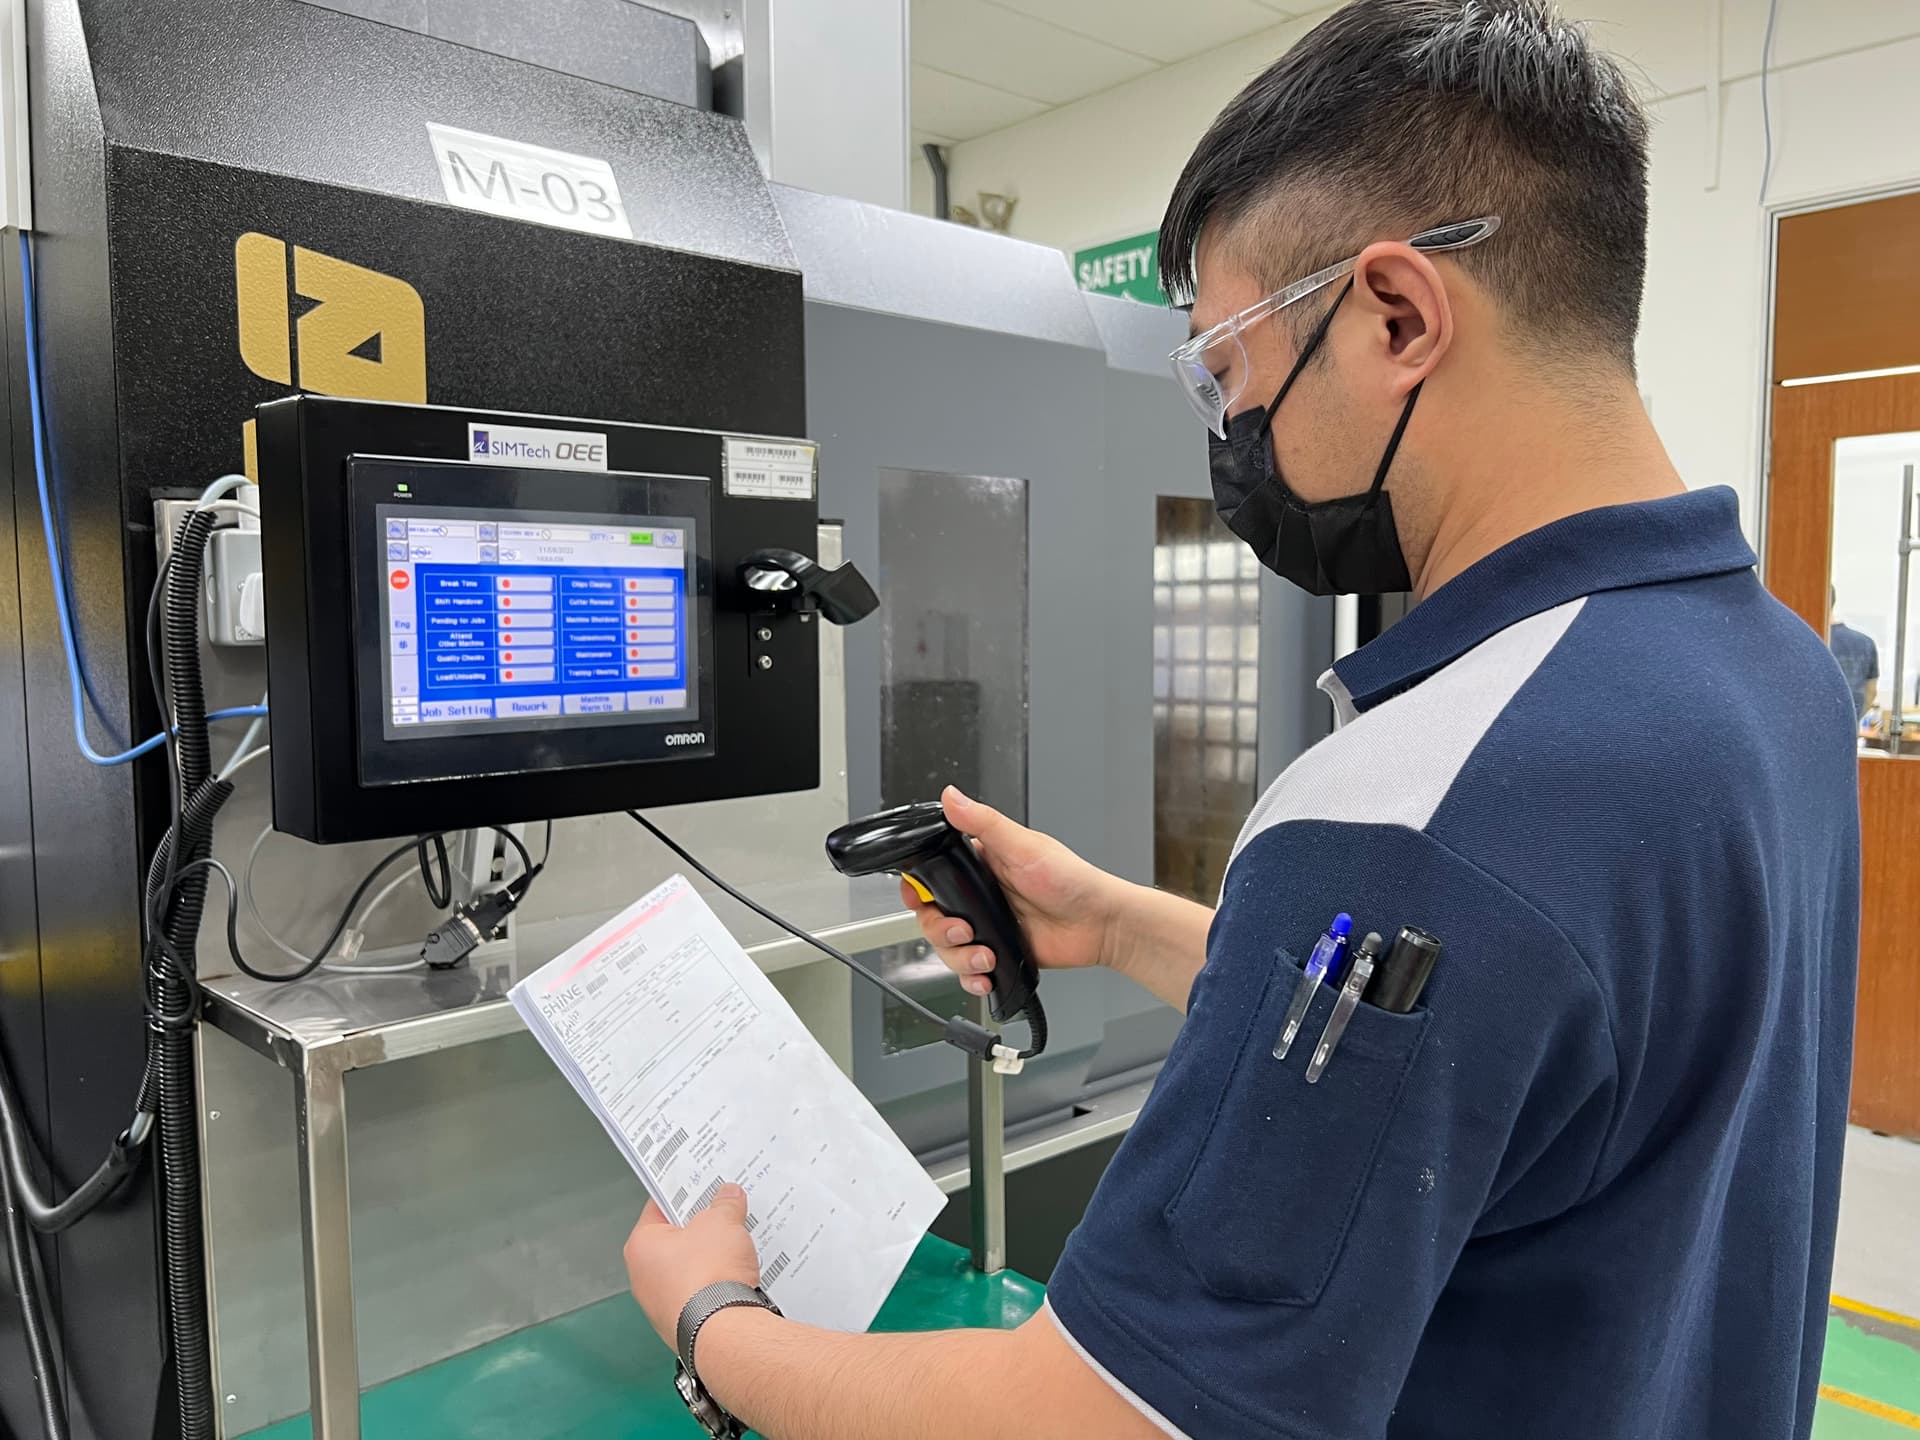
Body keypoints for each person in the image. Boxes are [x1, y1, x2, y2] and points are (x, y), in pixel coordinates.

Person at [623, 2, 1861, 1436]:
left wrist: (717, 1320)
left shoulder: (1414, 811)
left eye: (1228, 369)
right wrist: (1115, 922)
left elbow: (1085, 1420)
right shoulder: (1776, 676)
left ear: (1397, 316)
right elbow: (1507, 1040)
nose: (1228, 432)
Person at [1829, 586, 1879, 721]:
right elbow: (1871, 692)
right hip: (1848, 727)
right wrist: (1853, 721)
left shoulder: (1807, 642)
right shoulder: (1865, 643)